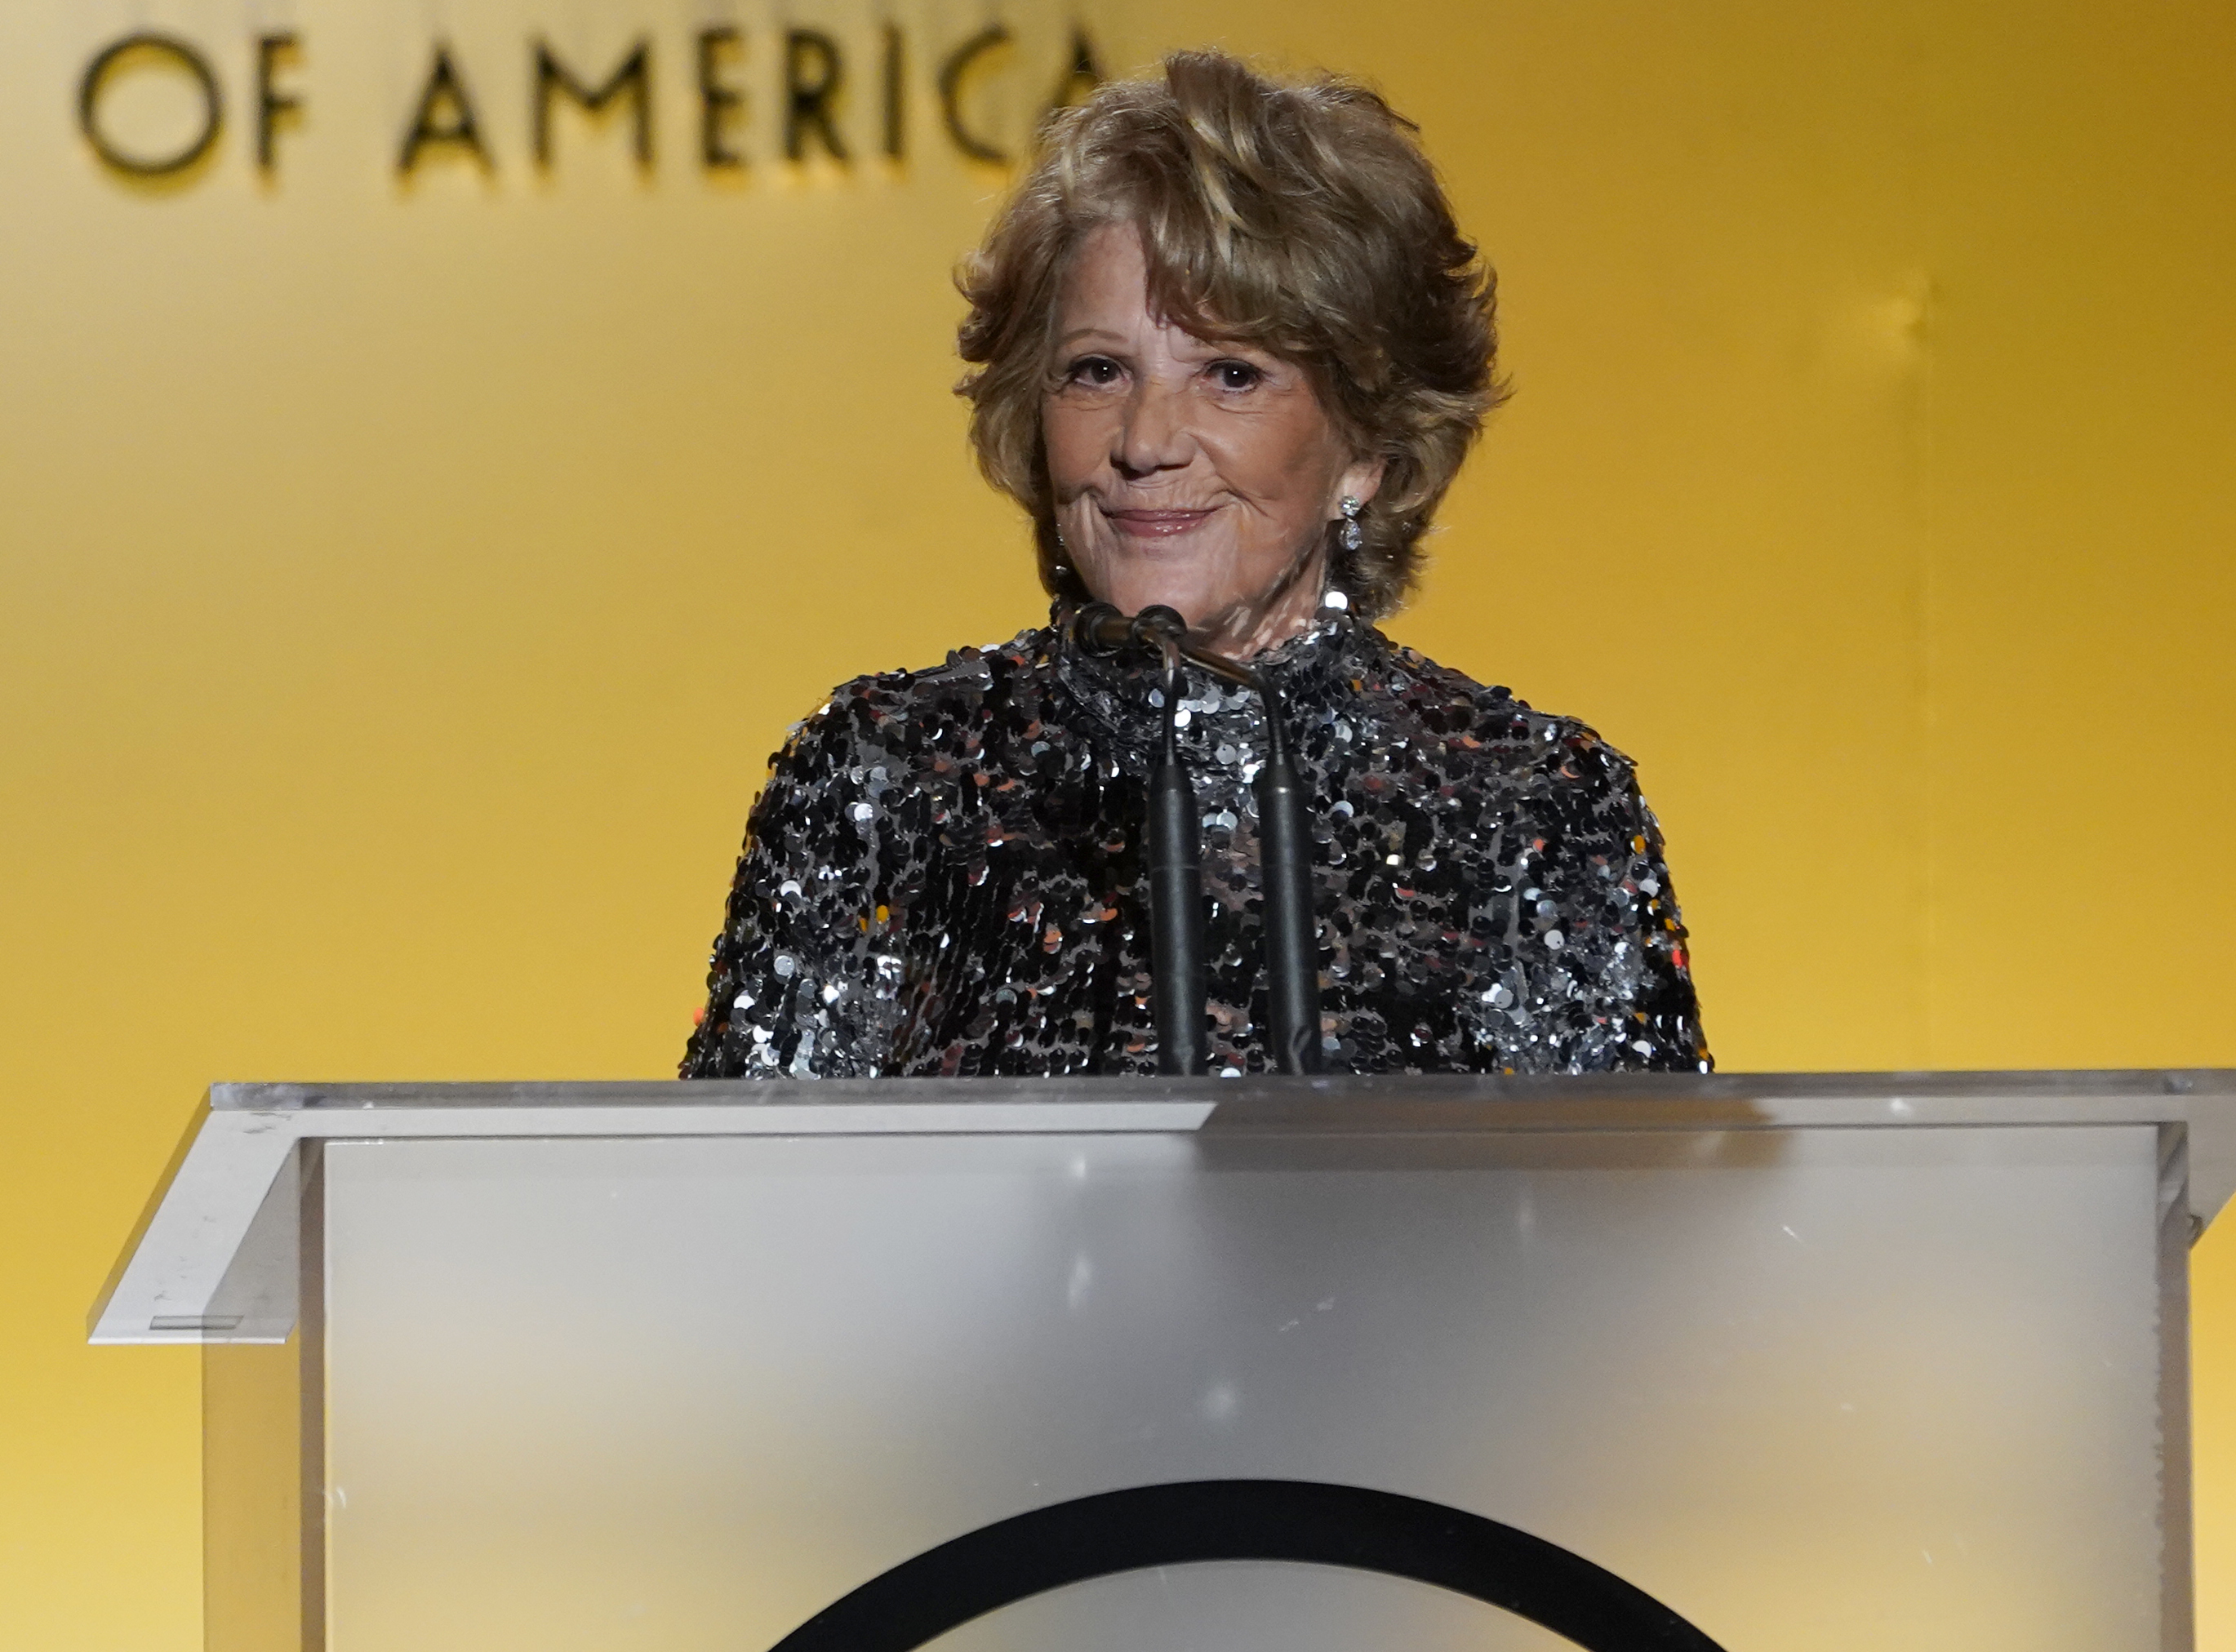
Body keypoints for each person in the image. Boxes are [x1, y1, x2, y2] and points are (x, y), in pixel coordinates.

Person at [682, 51, 1706, 1080]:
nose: (1145, 440)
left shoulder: (1538, 808)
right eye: (1098, 371)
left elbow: (1645, 1230)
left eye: (1229, 375)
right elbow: (734, 1218)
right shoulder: (883, 776)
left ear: (1366, 446)